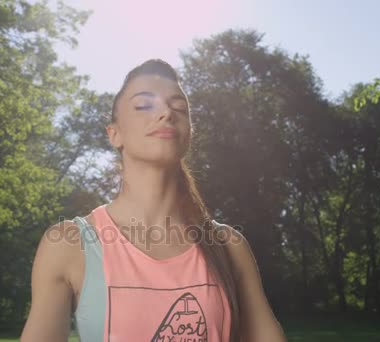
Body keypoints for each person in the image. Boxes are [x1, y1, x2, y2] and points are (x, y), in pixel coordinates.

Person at [20, 59, 286, 342]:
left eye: (179, 107)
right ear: (114, 133)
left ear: (189, 134)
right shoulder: (67, 245)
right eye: (143, 105)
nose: (166, 113)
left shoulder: (230, 247)